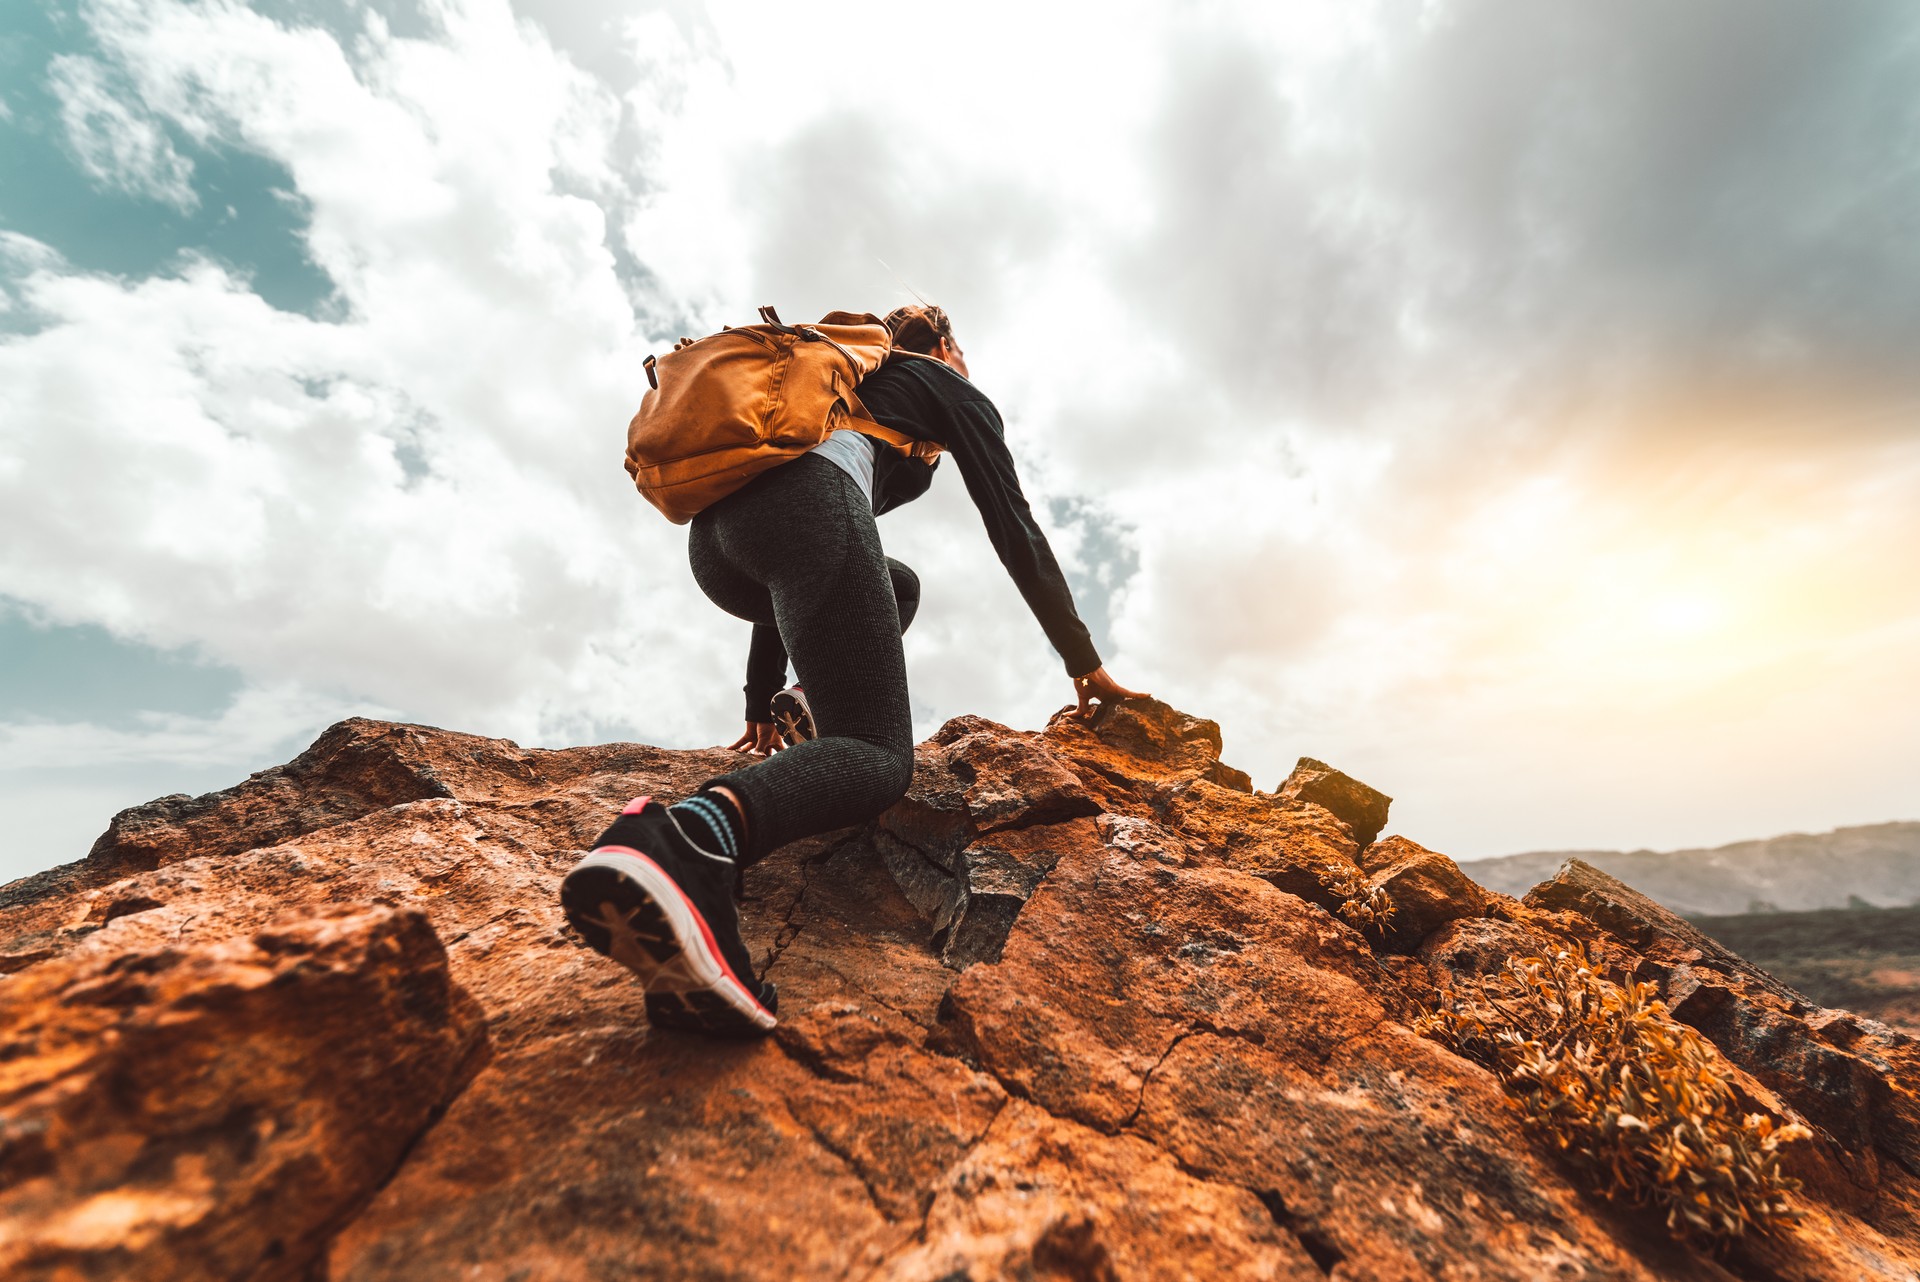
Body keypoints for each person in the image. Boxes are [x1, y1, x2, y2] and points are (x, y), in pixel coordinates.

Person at [559, 305, 1148, 1035]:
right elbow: (1012, 523)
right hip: (805, 512)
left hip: (718, 545)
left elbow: (792, 559)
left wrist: (761, 696)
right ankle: (685, 843)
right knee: (875, 756)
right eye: (962, 349)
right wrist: (1080, 656)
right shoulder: (944, 384)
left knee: (894, 583)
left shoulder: (851, 382)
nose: (965, 362)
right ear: (946, 345)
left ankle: (797, 721)